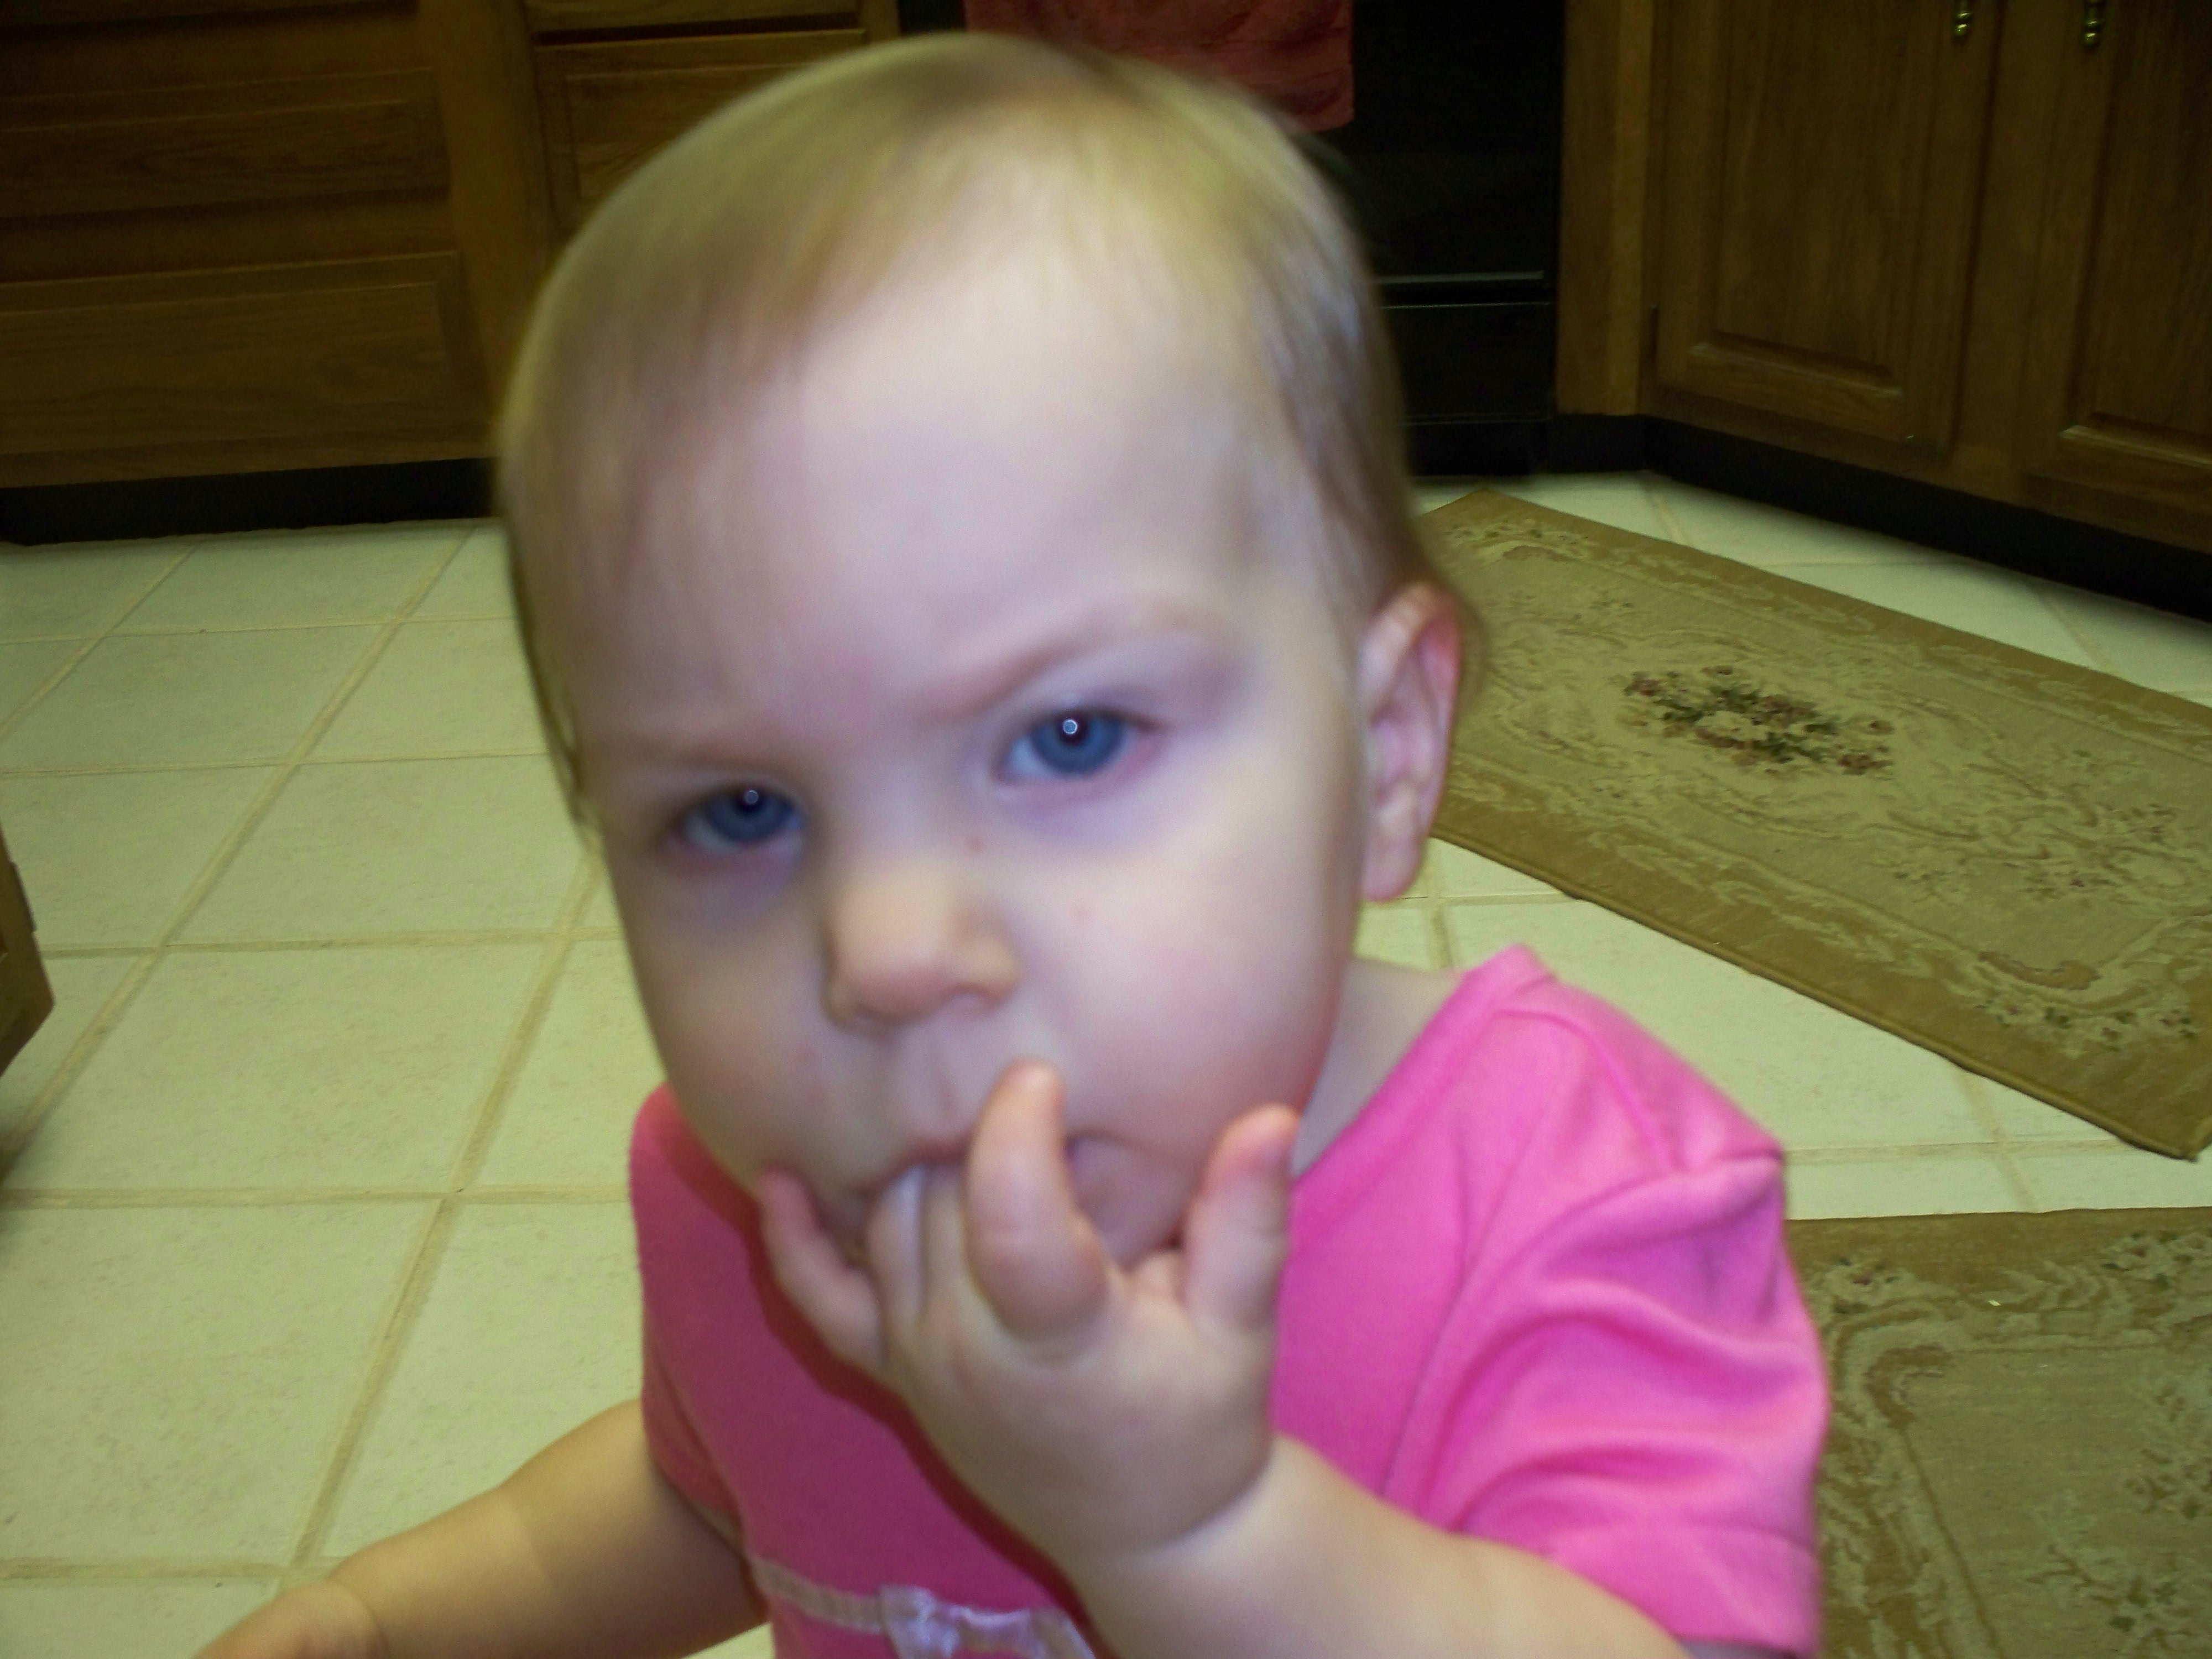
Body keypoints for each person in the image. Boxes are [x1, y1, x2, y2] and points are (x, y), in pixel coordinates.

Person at [198, 32, 1825, 1659]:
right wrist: (380, 1620)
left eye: (1070, 737)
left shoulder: (1575, 1200)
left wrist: (1198, 1532)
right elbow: (709, 1504)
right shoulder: (745, 1197)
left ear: (1386, 753)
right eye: (740, 810)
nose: (890, 951)